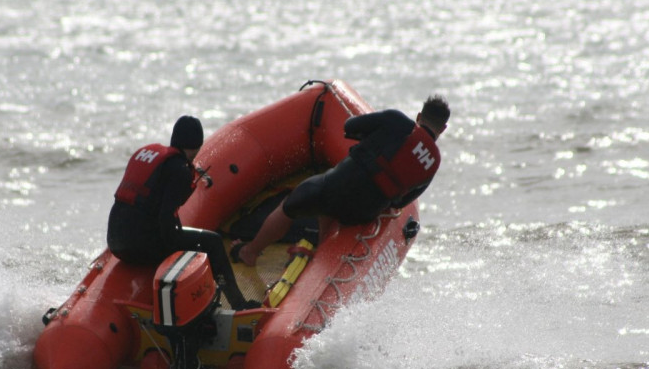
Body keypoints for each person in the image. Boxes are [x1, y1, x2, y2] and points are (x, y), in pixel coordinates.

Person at [233, 95, 450, 267]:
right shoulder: (434, 162)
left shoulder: (397, 121)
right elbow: (401, 203)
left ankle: (249, 252)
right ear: (443, 129)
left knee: (293, 204)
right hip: (365, 212)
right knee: (329, 208)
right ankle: (320, 257)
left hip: (338, 186)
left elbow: (350, 126)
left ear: (419, 115)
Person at [107, 115, 254, 310]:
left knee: (183, 237)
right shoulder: (180, 170)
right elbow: (166, 221)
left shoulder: (149, 155)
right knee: (213, 242)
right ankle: (239, 304)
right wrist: (182, 254)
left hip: (115, 242)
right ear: (197, 145)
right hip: (139, 246)